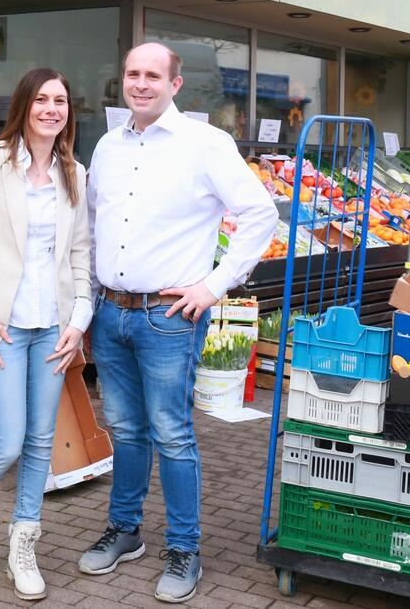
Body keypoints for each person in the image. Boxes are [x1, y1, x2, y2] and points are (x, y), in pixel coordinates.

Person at [79, 42, 278, 603]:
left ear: (175, 83)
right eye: (132, 74)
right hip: (111, 310)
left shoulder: (205, 144)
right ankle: (126, 530)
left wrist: (213, 285)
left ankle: (185, 548)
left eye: (152, 75)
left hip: (169, 317)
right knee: (123, 428)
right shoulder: (109, 146)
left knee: (172, 433)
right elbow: (94, 227)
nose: (140, 84)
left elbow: (261, 213)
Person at [0, 68, 92, 601]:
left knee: (40, 442)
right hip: (1, 325)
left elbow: (80, 256)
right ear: (24, 105)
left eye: (61, 100)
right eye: (43, 99)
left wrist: (78, 322)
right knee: (6, 442)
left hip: (53, 326)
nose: (52, 109)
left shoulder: (75, 172)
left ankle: (23, 543)